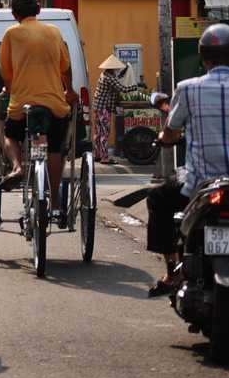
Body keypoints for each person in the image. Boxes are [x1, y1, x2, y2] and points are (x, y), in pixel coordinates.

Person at [146, 22, 229, 297]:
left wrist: (165, 138)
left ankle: (173, 271)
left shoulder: (188, 88)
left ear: (203, 58)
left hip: (199, 186)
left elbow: (170, 133)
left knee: (157, 198)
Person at [0, 0, 74, 211]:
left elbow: (6, 73)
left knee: (10, 135)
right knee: (54, 150)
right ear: (38, 9)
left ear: (14, 14)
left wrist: (10, 92)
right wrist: (69, 91)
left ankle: (17, 167)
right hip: (54, 105)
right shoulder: (54, 32)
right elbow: (65, 68)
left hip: (22, 105)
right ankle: (55, 200)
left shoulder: (11, 34)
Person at [93, 53, 137, 164]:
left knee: (98, 132)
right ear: (112, 68)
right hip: (104, 108)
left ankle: (97, 155)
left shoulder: (103, 74)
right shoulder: (110, 78)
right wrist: (135, 87)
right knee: (104, 132)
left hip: (98, 107)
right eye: (115, 68)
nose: (117, 70)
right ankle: (104, 157)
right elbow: (122, 89)